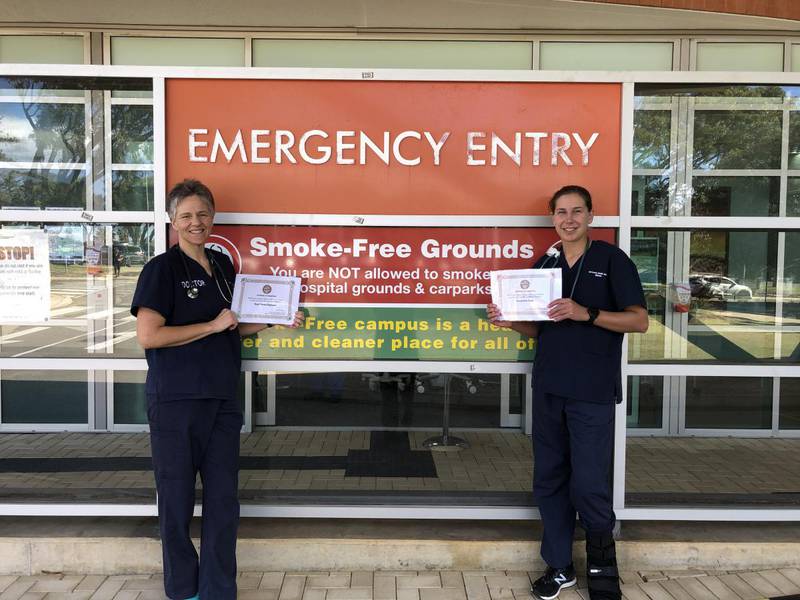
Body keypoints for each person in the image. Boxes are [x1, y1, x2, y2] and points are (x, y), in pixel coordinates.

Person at [131, 179, 303, 600]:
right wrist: (211, 325)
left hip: (223, 399)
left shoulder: (223, 266)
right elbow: (149, 336)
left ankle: (218, 589)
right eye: (187, 215)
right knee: (176, 501)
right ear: (172, 221)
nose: (196, 222)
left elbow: (234, 327)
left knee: (224, 500)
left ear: (214, 217)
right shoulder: (161, 269)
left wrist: (276, 318)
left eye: (203, 214)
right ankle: (183, 588)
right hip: (177, 400)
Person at [487, 185, 648, 600]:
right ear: (552, 218)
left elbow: (638, 321)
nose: (569, 219)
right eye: (561, 212)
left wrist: (587, 313)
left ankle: (602, 566)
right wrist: (509, 321)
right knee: (550, 479)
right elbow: (539, 326)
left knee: (590, 481)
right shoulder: (546, 263)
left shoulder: (612, 261)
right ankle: (559, 566)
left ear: (591, 216)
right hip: (550, 389)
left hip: (591, 391)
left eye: (577, 211)